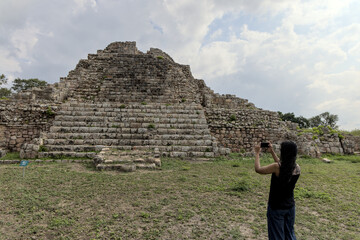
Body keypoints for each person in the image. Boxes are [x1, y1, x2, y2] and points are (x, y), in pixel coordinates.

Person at [254, 141, 301, 240]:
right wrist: (272, 152)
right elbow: (282, 165)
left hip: (276, 207)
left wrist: (257, 153)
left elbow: (258, 169)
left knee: (277, 236)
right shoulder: (297, 168)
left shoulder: (276, 167)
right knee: (290, 234)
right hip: (290, 207)